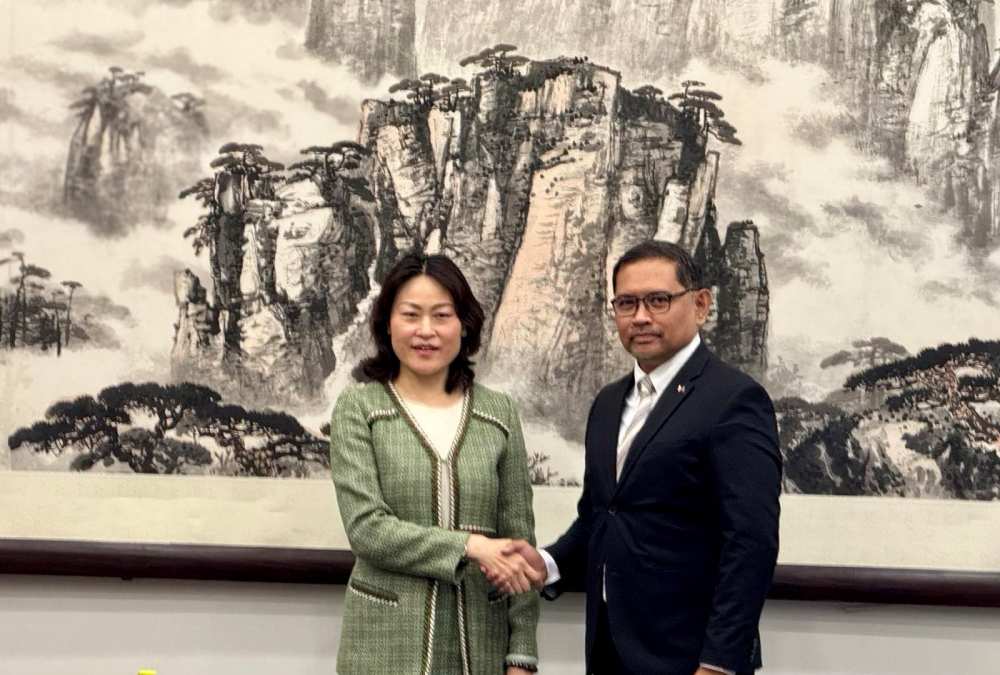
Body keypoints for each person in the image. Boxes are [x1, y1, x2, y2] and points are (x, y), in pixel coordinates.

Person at [499, 240, 782, 675]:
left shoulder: (734, 399)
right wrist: (547, 563)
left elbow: (751, 542)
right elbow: (601, 517)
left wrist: (719, 663)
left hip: (690, 658)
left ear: (701, 304)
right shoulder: (609, 403)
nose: (641, 317)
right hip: (610, 650)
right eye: (627, 303)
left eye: (658, 300)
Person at [328, 252, 540, 675]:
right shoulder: (359, 408)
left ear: (465, 325)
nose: (426, 331)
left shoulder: (498, 412)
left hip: (481, 645)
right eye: (411, 315)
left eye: (441, 315)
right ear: (388, 324)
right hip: (384, 647)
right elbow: (367, 530)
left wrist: (522, 652)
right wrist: (470, 546)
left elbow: (519, 539)